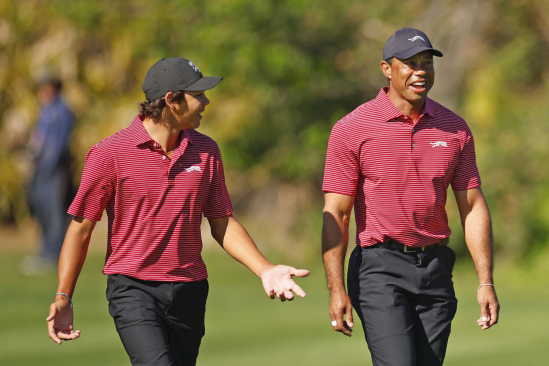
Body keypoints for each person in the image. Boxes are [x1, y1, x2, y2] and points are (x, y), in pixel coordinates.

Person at [46, 57, 309, 366]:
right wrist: (64, 296)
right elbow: (80, 229)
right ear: (171, 100)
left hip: (190, 291)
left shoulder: (207, 150)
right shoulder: (110, 154)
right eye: (197, 95)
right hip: (134, 288)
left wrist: (265, 269)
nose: (206, 101)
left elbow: (222, 222)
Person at [321, 28, 499, 366]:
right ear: (386, 69)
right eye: (410, 63)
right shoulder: (351, 128)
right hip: (379, 269)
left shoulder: (455, 128)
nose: (421, 71)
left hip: (435, 268)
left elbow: (472, 206)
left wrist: (485, 281)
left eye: (427, 63)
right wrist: (335, 288)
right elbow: (337, 213)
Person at [21, 75, 75, 275]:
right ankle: (44, 253)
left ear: (54, 88)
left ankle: (55, 255)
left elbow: (58, 145)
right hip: (39, 170)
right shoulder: (45, 110)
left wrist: (47, 167)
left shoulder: (62, 112)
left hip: (54, 171)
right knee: (42, 211)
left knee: (54, 213)